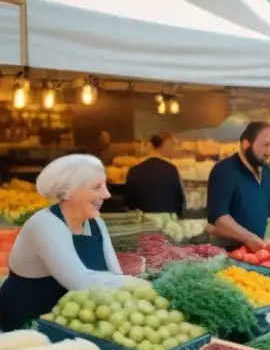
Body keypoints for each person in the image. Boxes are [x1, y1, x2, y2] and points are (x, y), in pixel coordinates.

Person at [0, 155, 145, 330]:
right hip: (25, 328)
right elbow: (78, 280)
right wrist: (141, 286)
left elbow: (114, 273)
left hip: (66, 324)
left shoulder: (95, 223)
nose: (106, 194)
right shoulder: (45, 224)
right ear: (68, 191)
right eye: (97, 187)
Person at [206, 121, 270, 251]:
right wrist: (248, 238)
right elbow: (219, 218)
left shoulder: (268, 173)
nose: (269, 152)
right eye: (265, 145)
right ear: (246, 144)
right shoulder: (224, 171)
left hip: (255, 253)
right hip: (225, 253)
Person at [124, 131, 185, 215]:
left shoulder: (134, 170)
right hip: (167, 220)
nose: (172, 150)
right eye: (171, 146)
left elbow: (129, 202)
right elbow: (179, 200)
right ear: (164, 145)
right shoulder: (171, 170)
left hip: (143, 222)